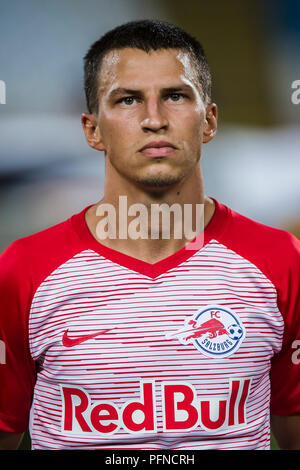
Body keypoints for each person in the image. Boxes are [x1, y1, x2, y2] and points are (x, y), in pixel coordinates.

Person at [0, 19, 299, 451]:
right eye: (127, 100)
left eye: (175, 96)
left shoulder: (281, 262)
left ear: (209, 120)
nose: (154, 120)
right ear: (92, 129)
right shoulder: (22, 271)